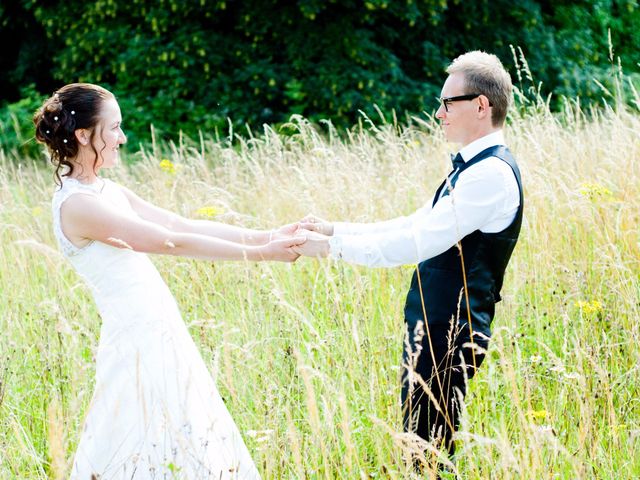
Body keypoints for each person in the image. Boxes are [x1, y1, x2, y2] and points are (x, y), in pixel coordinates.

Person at [34, 83, 304, 479]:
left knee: (183, 431)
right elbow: (169, 242)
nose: (122, 138)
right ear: (82, 135)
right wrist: (264, 254)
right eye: (114, 128)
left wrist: (269, 236)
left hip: (160, 329)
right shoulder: (78, 205)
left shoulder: (107, 191)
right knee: (134, 436)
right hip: (135, 341)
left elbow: (179, 223)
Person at [293, 51, 523, 465]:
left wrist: (330, 249)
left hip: (451, 328)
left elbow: (419, 243)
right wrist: (334, 230)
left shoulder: (490, 174)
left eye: (447, 103)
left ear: (481, 106)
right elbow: (414, 224)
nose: (439, 114)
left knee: (427, 451)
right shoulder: (473, 169)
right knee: (421, 443)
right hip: (435, 323)